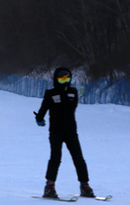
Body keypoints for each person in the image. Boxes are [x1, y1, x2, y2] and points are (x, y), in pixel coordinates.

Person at [34, 67, 95, 198]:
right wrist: (39, 118)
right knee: (56, 158)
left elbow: (73, 108)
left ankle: (84, 184)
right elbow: (43, 109)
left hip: (71, 131)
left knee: (78, 157)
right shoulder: (51, 93)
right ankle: (49, 186)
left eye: (67, 78)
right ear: (56, 79)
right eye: (62, 79)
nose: (65, 81)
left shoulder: (73, 92)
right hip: (56, 131)